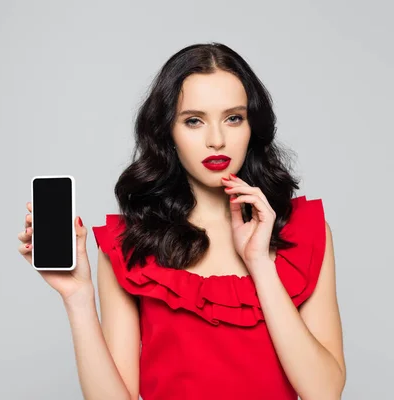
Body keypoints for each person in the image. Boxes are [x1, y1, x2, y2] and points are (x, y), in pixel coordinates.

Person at [17, 42, 346, 400]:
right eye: (193, 121)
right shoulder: (132, 243)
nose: (216, 140)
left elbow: (324, 392)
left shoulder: (303, 231)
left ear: (253, 127)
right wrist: (78, 298)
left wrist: (260, 267)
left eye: (233, 118)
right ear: (167, 133)